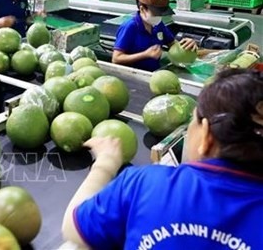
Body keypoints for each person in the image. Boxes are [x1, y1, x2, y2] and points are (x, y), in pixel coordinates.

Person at [62, 68, 263, 249]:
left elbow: (73, 228)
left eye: (192, 121)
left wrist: (105, 164)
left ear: (206, 136)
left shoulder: (146, 183)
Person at [112, 0, 197, 71]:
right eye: (156, 13)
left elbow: (172, 44)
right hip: (133, 76)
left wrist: (186, 45)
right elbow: (116, 58)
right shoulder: (130, 27)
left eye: (161, 13)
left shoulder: (158, 25)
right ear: (142, 9)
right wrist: (145, 54)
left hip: (154, 73)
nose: (159, 17)